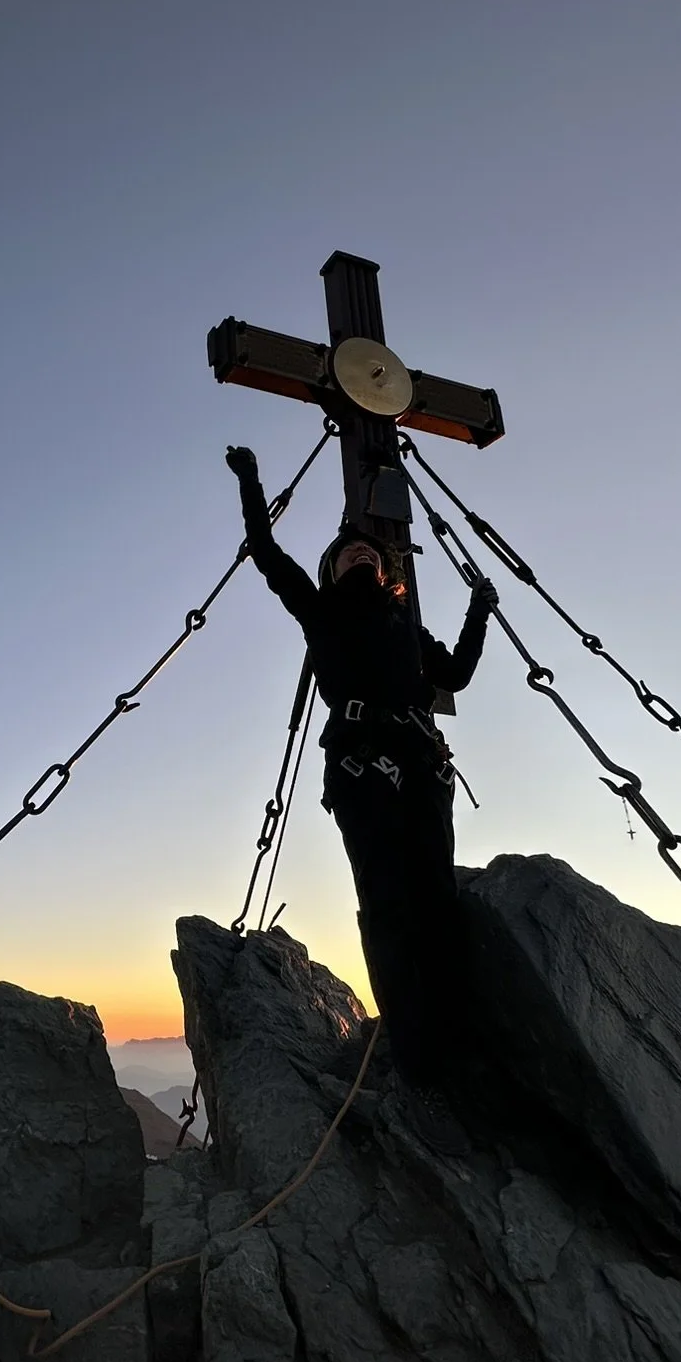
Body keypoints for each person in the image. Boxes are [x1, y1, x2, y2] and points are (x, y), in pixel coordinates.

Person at [225, 443, 497, 1085]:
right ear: (329, 569)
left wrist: (478, 611)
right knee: (389, 906)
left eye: (371, 552)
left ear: (386, 570)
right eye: (349, 551)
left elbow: (453, 672)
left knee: (437, 901)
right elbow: (266, 555)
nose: (363, 551)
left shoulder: (406, 626)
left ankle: (459, 1050)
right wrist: (252, 481)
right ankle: (419, 1063)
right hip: (361, 766)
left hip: (422, 766)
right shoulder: (320, 612)